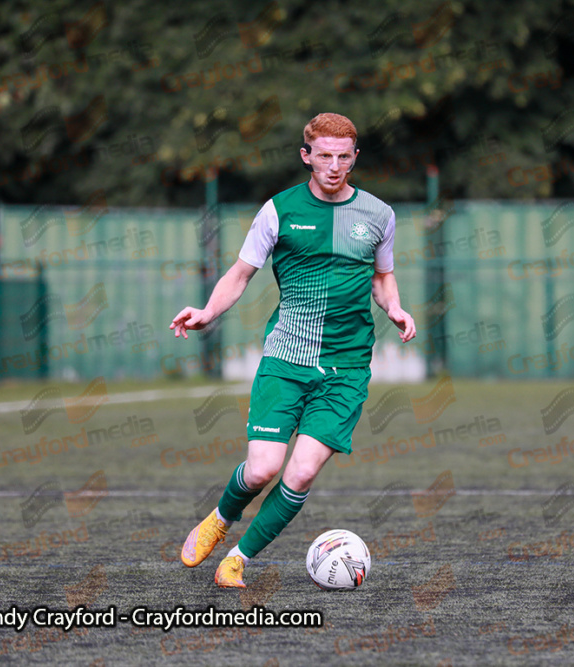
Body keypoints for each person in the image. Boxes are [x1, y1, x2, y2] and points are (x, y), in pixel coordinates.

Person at [169, 112, 416, 588]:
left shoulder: (379, 215)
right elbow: (240, 274)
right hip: (287, 359)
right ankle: (221, 517)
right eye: (324, 156)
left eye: (344, 157)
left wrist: (396, 309)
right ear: (307, 156)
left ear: (355, 158)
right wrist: (207, 312)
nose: (334, 166)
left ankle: (238, 559)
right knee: (263, 468)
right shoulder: (279, 210)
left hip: (346, 368)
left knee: (300, 474)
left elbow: (383, 277)